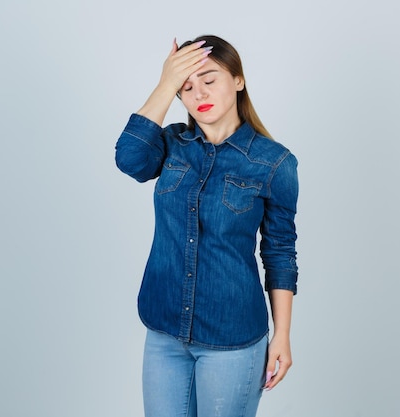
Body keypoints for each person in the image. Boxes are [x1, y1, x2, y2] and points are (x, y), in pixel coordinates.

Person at [115, 34, 299, 417]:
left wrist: (282, 335)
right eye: (187, 86)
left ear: (238, 80)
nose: (199, 92)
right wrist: (166, 83)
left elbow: (280, 252)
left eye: (210, 79)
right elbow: (129, 159)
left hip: (231, 335)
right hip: (164, 329)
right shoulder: (170, 145)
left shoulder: (275, 162)